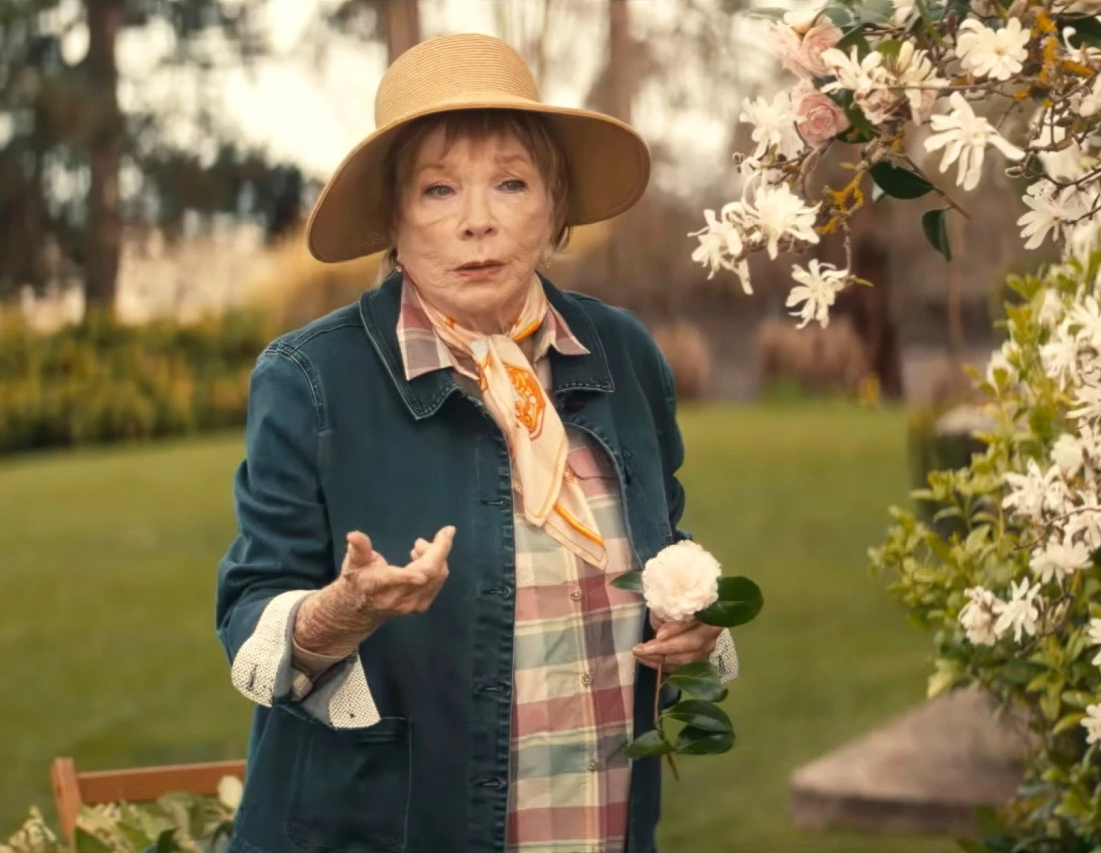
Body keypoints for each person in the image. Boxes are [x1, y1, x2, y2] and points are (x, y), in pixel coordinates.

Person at [214, 33, 738, 853]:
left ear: (553, 202)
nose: (478, 221)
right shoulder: (311, 378)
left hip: (597, 821)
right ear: (393, 217)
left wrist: (697, 624)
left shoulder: (623, 353)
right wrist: (340, 611)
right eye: (437, 190)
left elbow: (661, 547)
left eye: (510, 182)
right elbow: (249, 620)